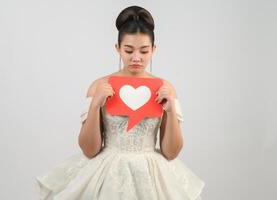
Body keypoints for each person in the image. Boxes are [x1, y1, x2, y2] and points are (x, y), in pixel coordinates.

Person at [35, 5, 205, 200]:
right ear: (118, 48)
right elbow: (89, 150)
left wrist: (171, 111)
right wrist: (95, 105)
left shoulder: (165, 89)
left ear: (154, 49)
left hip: (152, 173)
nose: (136, 58)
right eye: (129, 50)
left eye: (144, 51)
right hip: (108, 172)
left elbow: (171, 152)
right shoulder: (99, 86)